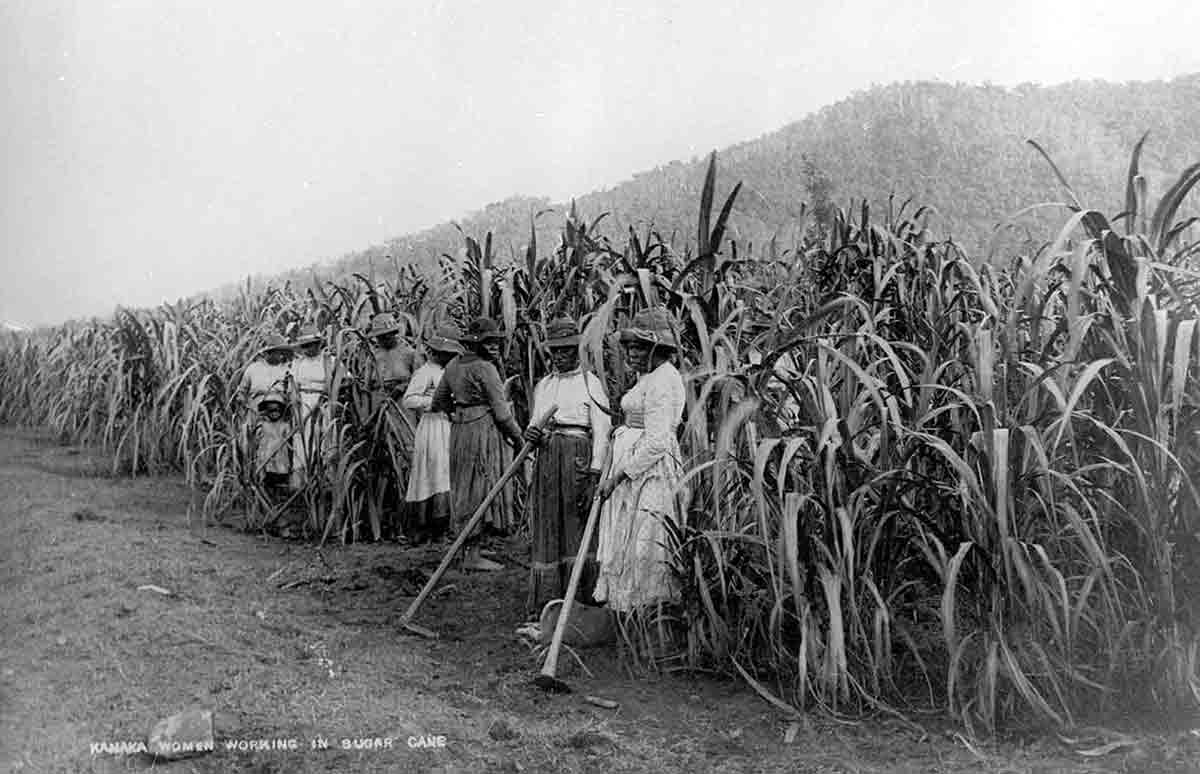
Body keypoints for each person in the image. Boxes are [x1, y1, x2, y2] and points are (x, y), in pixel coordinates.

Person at [594, 307, 687, 612]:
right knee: (630, 535)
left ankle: (647, 612)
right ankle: (625, 609)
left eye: (640, 347)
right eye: (630, 346)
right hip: (633, 469)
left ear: (659, 349)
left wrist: (619, 475)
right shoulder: (649, 378)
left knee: (645, 539)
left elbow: (657, 441)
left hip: (650, 473)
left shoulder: (664, 380)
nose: (631, 353)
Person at [523, 317, 612, 614]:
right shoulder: (545, 385)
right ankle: (549, 597)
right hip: (548, 459)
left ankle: (581, 597)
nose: (560, 356)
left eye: (566, 350)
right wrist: (533, 434)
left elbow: (601, 432)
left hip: (578, 460)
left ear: (577, 351)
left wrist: (594, 474)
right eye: (555, 351)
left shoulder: (591, 384)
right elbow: (534, 424)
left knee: (576, 524)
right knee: (549, 522)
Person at [430, 317, 523, 572]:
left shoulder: (452, 365)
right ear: (476, 343)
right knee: (480, 487)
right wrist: (519, 438)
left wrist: (458, 412)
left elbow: (439, 401)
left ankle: (471, 545)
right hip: (482, 430)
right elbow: (503, 415)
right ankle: (472, 554)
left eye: (495, 342)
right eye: (488, 343)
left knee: (464, 486)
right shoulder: (485, 369)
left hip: (460, 430)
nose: (494, 347)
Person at [399, 324, 463, 544]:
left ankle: (442, 528)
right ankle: (423, 529)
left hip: (448, 426)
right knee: (431, 475)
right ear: (437, 351)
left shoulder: (449, 371)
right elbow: (409, 399)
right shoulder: (425, 372)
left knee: (445, 474)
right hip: (432, 427)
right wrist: (434, 402)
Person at [368, 313, 423, 535]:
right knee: (383, 460)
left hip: (403, 410)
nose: (384, 340)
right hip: (380, 410)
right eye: (380, 337)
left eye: (387, 335)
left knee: (405, 457)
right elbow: (367, 384)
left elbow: (422, 381)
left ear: (395, 333)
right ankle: (386, 520)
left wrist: (404, 386)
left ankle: (410, 518)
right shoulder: (374, 355)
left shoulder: (409, 353)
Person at [290, 323, 329, 487]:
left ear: (318, 343)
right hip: (303, 404)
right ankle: (302, 485)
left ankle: (326, 484)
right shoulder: (298, 364)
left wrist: (326, 397)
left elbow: (345, 380)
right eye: (304, 346)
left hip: (325, 406)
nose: (307, 349)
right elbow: (292, 386)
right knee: (302, 443)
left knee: (325, 442)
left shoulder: (330, 360)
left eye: (310, 345)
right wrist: (295, 403)